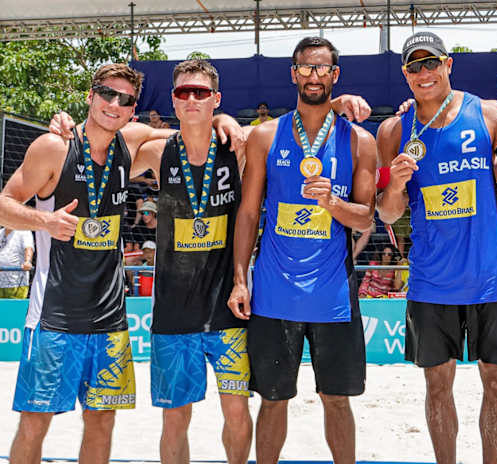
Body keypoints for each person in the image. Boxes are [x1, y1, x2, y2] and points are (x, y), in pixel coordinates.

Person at [377, 31, 497, 464]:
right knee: (437, 387)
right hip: (432, 279)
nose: (424, 73)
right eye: (414, 66)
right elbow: (390, 214)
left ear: (449, 64)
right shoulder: (394, 130)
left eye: (431, 63)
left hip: (489, 274)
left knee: (496, 383)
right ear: (405, 75)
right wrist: (394, 183)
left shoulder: (486, 114)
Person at [228, 37, 377, 464]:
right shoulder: (265, 135)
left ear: (336, 75)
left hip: (332, 294)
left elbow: (366, 217)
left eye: (322, 69)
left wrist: (333, 203)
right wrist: (241, 280)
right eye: (306, 69)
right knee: (272, 400)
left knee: (337, 400)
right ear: (294, 74)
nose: (314, 76)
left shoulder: (358, 141)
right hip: (275, 292)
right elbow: (248, 212)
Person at [0, 63, 144, 464]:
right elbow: (3, 206)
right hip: (54, 317)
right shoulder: (54, 146)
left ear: (134, 108)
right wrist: (45, 220)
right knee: (35, 421)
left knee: (101, 421)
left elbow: (190, 133)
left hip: (110, 319)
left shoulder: (130, 143)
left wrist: (222, 118)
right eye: (106, 93)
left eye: (125, 99)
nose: (114, 104)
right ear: (89, 95)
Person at [129, 59, 252, 464]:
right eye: (184, 93)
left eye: (202, 92)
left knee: (236, 411)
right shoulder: (157, 150)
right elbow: (105, 140)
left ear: (216, 98)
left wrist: (341, 104)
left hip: (228, 306)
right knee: (174, 419)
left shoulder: (241, 143)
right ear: (174, 101)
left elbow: (297, 127)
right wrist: (65, 126)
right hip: (173, 309)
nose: (193, 98)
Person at [0, 226, 34, 299]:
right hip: (1, 282)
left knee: (13, 309)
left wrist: (27, 261)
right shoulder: (1, 232)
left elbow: (28, 248)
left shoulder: (24, 231)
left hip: (17, 283)